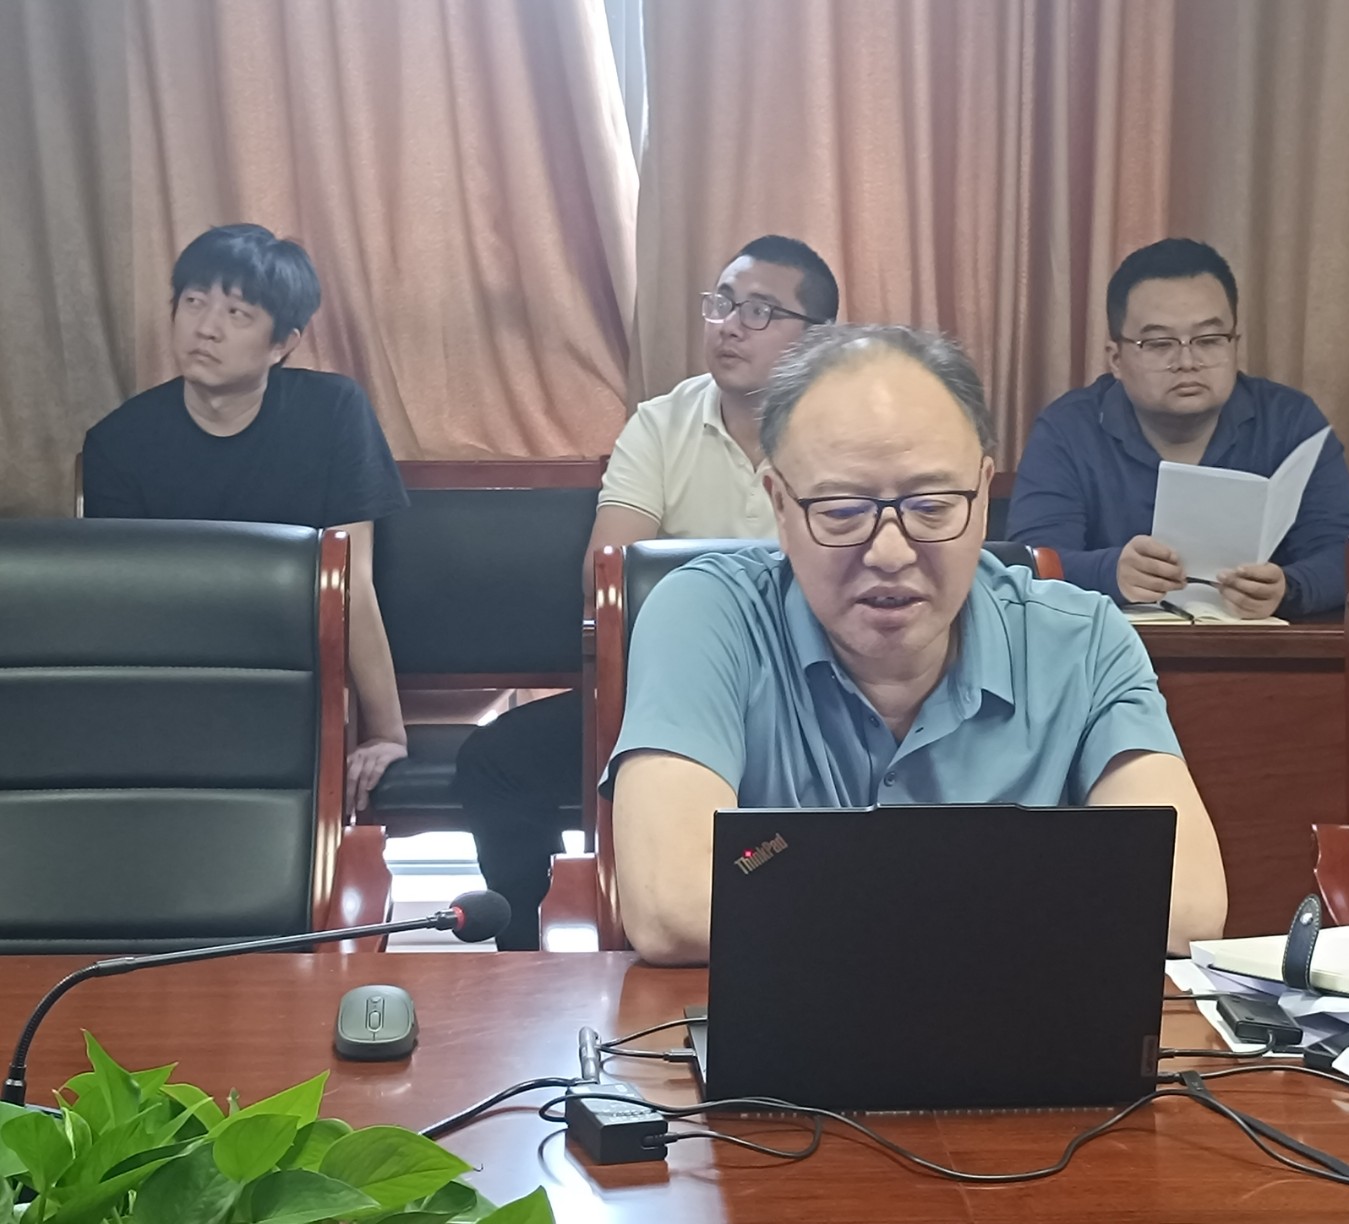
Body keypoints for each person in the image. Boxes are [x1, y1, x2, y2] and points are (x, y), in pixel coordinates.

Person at [603, 324, 1228, 966]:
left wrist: (802, 899)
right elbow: (673, 905)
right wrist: (1030, 897)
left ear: (981, 497)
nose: (890, 553)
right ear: (780, 506)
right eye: (842, 510)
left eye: (932, 506)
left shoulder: (1083, 642)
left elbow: (1186, 905)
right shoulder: (705, 616)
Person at [453, 235, 839, 949]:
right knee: (495, 761)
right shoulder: (662, 423)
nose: (729, 326)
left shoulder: (845, 433)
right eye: (722, 304)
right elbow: (609, 573)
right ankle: (521, 952)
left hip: (811, 696)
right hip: (665, 698)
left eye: (759, 311)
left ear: (818, 338)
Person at [83, 224, 409, 812]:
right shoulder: (119, 442)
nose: (206, 327)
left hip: (303, 676)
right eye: (193, 301)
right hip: (174, 686)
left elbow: (349, 582)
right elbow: (123, 607)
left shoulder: (334, 413)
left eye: (237, 313)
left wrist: (387, 732)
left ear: (282, 343)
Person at [1007, 239, 1349, 619]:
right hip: (1109, 647)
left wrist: (1288, 587)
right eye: (1159, 343)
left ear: (1235, 345)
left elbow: (1348, 557)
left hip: (1259, 646)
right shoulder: (1067, 430)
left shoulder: (1290, 421)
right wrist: (1109, 572)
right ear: (1116, 358)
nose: (1187, 361)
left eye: (1209, 340)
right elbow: (1027, 564)